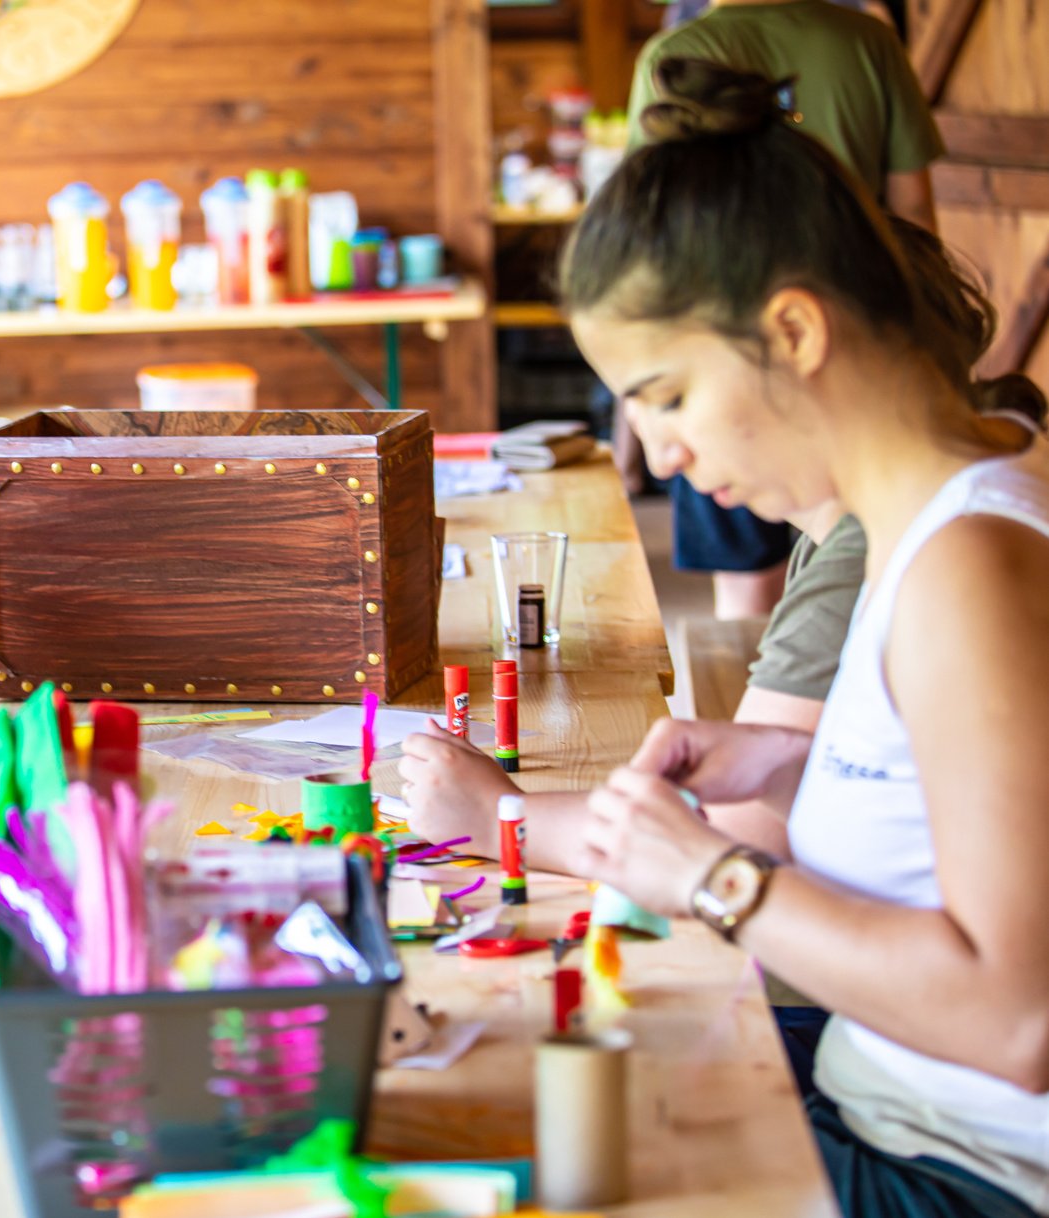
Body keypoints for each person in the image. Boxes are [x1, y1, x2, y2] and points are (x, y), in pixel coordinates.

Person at [483, 59, 1047, 1217]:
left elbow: (1018, 1019)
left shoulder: (967, 561)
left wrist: (708, 876)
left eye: (668, 397)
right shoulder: (925, 522)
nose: (662, 455)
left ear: (790, 329)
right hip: (884, 1110)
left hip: (951, 1172)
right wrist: (796, 760)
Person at [616, 11, 945, 620]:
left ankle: (763, 698)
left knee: (746, 589)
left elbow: (648, 233)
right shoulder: (870, 42)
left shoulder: (676, 54)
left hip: (721, 360)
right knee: (868, 559)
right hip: (852, 344)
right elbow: (914, 218)